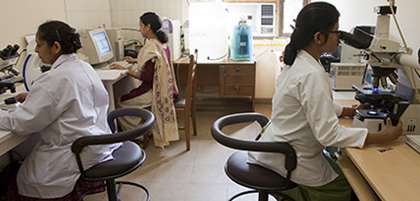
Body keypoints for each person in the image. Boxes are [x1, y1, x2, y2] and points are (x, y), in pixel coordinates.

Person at [247, 2, 403, 201]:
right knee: (353, 188)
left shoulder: (299, 60)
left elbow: (308, 104)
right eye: (336, 31)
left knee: (343, 168)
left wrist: (346, 111)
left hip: (277, 149)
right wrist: (383, 137)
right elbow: (329, 135)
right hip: (290, 162)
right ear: (319, 37)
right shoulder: (311, 73)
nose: (340, 37)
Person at [0, 21, 121, 200]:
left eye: (39, 45)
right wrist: (36, 96)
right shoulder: (84, 67)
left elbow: (22, 124)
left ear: (55, 46)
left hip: (73, 153)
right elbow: (71, 97)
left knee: (26, 179)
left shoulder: (53, 79)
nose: (35, 51)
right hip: (96, 144)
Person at [111, 12, 179, 148]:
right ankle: (144, 129)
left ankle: (138, 134)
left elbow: (147, 77)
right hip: (167, 89)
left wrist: (126, 70)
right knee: (128, 95)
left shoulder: (150, 47)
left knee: (120, 101)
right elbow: (155, 63)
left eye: (141, 26)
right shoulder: (162, 43)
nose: (140, 29)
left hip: (152, 91)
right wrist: (135, 60)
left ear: (148, 27)